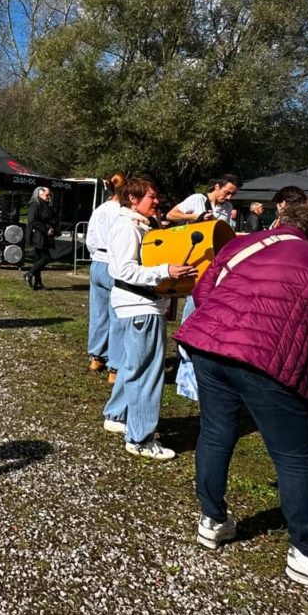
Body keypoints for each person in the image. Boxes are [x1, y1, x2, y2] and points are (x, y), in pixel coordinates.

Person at [175, 203, 308, 597]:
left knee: (215, 434)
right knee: (294, 456)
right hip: (267, 358)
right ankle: (307, 553)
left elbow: (203, 291)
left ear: (280, 222)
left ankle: (212, 519)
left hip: (209, 348)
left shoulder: (238, 245)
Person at [106, 175, 197, 460]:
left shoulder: (137, 224)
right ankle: (141, 438)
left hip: (139, 306)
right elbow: (123, 270)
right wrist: (165, 272)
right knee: (148, 373)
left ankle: (117, 416)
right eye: (151, 197)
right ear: (133, 199)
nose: (156, 202)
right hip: (140, 307)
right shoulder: (127, 227)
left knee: (134, 367)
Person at [85, 174, 125, 375]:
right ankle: (115, 365)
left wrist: (95, 255)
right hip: (113, 261)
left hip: (97, 260)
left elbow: (90, 238)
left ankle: (97, 355)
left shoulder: (99, 209)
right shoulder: (123, 212)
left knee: (98, 312)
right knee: (117, 313)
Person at [166, 174, 239, 225]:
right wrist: (197, 217)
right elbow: (170, 215)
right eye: (226, 193)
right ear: (217, 186)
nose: (229, 198)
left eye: (232, 195)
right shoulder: (197, 199)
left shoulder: (229, 206)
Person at [24, 186, 58, 290]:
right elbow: (33, 221)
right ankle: (29, 274)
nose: (49, 197)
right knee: (46, 258)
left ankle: (38, 283)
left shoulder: (45, 205)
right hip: (38, 236)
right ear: (40, 194)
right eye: (47, 195)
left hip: (44, 236)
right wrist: (46, 229)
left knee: (38, 258)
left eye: (50, 195)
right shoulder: (35, 205)